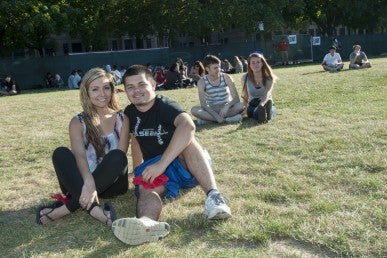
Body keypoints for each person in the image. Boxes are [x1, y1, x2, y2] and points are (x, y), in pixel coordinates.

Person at [111, 65, 231, 245]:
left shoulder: (165, 105)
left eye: (141, 84)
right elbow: (134, 141)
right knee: (145, 187)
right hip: (159, 170)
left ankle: (214, 197)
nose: (136, 91)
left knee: (188, 141)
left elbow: (188, 126)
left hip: (187, 165)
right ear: (125, 90)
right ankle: (147, 223)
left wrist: (162, 164)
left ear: (153, 84)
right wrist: (138, 171)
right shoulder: (130, 113)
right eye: (130, 87)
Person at [36, 68, 130, 226]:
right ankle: (96, 211)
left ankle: (64, 210)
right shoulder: (77, 121)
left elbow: (120, 156)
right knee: (60, 153)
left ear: (112, 90)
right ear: (86, 92)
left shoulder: (122, 118)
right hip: (80, 182)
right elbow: (79, 155)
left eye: (106, 88)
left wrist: (92, 183)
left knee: (118, 156)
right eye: (95, 89)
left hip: (112, 184)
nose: (102, 94)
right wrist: (88, 182)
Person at [191, 55, 244, 124]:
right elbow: (204, 105)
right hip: (212, 109)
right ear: (207, 69)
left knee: (241, 105)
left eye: (219, 66)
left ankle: (208, 120)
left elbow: (236, 99)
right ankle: (228, 119)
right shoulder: (202, 82)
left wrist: (226, 107)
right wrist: (216, 116)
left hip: (227, 108)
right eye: (215, 68)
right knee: (194, 110)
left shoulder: (227, 77)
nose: (219, 69)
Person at [241, 52, 277, 124]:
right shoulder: (245, 78)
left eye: (258, 62)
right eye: (253, 63)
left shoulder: (269, 78)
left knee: (271, 110)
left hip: (266, 102)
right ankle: (264, 115)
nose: (256, 65)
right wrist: (244, 108)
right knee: (253, 112)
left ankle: (266, 113)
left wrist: (261, 105)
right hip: (253, 104)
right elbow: (245, 95)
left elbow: (267, 93)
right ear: (249, 65)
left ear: (262, 63)